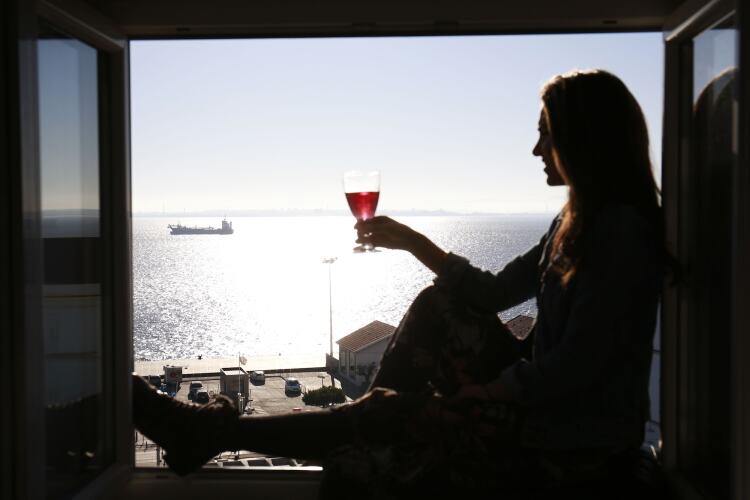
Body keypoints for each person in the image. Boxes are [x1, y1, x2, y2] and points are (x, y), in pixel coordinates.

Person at [133, 69, 665, 497]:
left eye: (545, 133)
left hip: (570, 444)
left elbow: (576, 365)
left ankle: (212, 432)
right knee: (438, 304)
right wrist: (412, 241)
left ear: (581, 138)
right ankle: (359, 419)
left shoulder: (621, 231)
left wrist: (490, 390)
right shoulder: (573, 222)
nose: (536, 149)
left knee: (375, 428)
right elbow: (492, 294)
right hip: (545, 409)